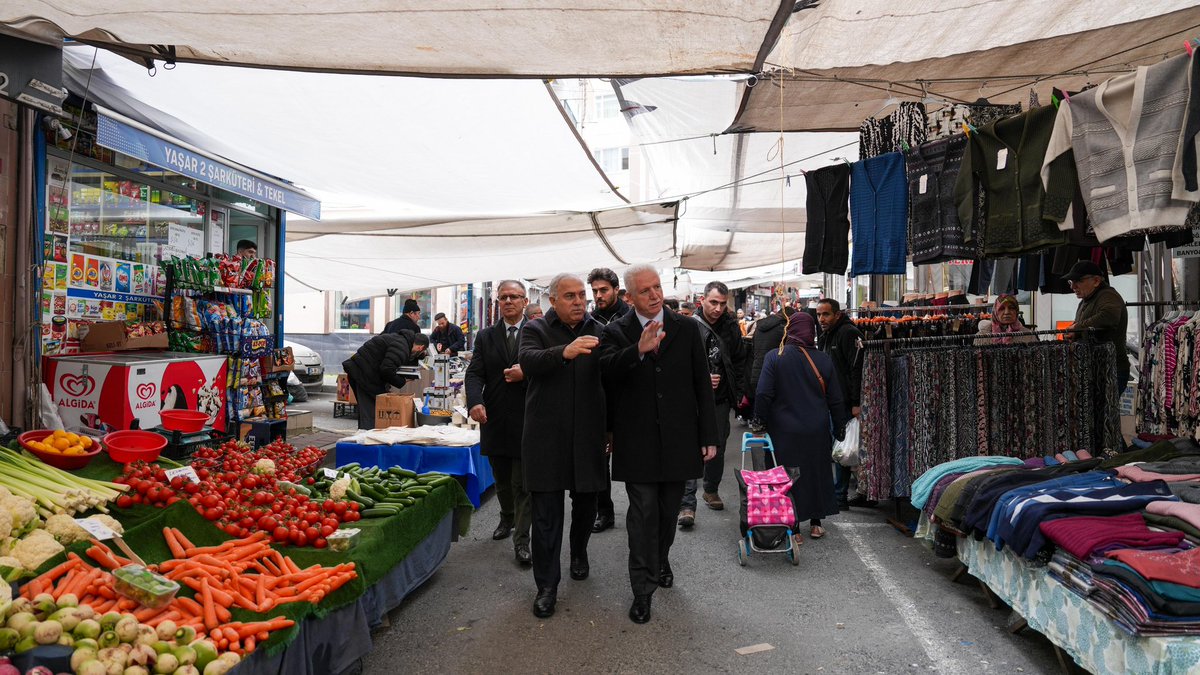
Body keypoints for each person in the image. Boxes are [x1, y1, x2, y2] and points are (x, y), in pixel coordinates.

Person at [598, 265, 717, 624]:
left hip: (680, 437)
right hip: (636, 440)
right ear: (629, 297)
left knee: (667, 514)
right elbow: (604, 372)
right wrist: (638, 349)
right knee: (643, 514)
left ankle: (661, 557)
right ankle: (642, 590)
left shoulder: (686, 327)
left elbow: (701, 384)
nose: (654, 294)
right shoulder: (617, 331)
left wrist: (708, 435)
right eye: (645, 290)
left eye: (657, 287)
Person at [519, 273, 608, 619]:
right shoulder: (535, 330)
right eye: (569, 296)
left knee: (586, 504)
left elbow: (612, 376)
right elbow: (529, 362)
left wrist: (610, 429)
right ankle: (547, 586)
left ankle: (579, 552)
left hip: (588, 435)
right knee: (546, 517)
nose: (578, 302)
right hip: (546, 438)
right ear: (553, 300)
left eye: (581, 295)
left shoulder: (598, 330)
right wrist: (564, 352)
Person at [755, 312, 850, 544]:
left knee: (785, 475)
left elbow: (763, 393)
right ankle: (816, 524)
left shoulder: (774, 357)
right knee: (816, 473)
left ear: (789, 329)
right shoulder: (824, 359)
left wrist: (760, 419)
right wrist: (839, 426)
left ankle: (793, 526)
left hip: (783, 430)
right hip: (816, 429)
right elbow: (836, 399)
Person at [465, 281, 532, 565]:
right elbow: (474, 373)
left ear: (525, 301)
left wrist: (526, 372)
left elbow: (550, 368)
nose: (508, 301)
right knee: (501, 479)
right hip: (494, 419)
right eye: (503, 297)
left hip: (528, 419)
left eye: (514, 297)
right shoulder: (485, 336)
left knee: (522, 483)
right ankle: (506, 518)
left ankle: (522, 541)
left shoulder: (537, 332)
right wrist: (475, 401)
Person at [678, 281, 747, 528]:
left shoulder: (731, 326)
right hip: (691, 397)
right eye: (713, 302)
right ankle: (687, 504)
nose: (718, 308)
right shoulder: (687, 326)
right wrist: (702, 377)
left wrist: (738, 393)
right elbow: (676, 364)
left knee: (716, 444)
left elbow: (740, 359)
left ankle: (710, 489)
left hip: (721, 398)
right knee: (690, 447)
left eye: (722, 303)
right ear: (702, 300)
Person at [587, 267, 630, 534]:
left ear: (616, 289)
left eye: (604, 290)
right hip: (600, 400)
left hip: (627, 399)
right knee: (600, 460)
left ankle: (640, 510)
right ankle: (605, 511)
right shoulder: (590, 320)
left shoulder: (631, 317)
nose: (599, 295)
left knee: (633, 458)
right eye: (595, 291)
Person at [815, 298, 865, 510]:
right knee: (836, 447)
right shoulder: (827, 334)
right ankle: (836, 492)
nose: (821, 319)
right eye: (818, 315)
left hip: (844, 401)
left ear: (837, 314)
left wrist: (856, 402)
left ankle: (840, 495)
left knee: (843, 447)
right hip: (830, 399)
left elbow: (857, 370)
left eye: (825, 314)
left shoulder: (848, 333)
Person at [1063, 260, 1131, 394]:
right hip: (1097, 369)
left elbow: (1109, 316)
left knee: (1104, 413)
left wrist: (1077, 327)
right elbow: (1088, 325)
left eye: (1078, 281)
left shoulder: (1108, 295)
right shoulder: (1087, 299)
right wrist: (1075, 333)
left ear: (1096, 281)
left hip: (1110, 369)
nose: (1073, 287)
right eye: (1071, 282)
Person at [341, 330, 429, 429]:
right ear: (420, 347)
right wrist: (402, 381)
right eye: (421, 351)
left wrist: (420, 355)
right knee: (370, 411)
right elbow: (387, 369)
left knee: (370, 409)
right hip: (362, 373)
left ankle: (368, 434)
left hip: (361, 370)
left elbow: (391, 362)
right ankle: (367, 438)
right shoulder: (402, 347)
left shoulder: (402, 341)